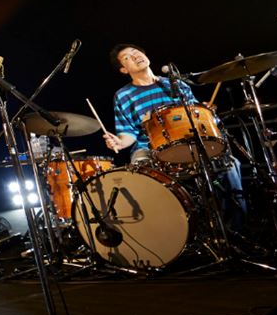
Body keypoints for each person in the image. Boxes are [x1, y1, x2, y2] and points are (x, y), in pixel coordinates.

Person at [102, 43, 245, 229]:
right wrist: (120, 142)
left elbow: (195, 115)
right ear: (123, 69)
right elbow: (128, 132)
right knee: (140, 171)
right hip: (148, 148)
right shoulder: (123, 95)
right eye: (127, 57)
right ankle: (165, 229)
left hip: (188, 141)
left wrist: (205, 112)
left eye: (136, 52)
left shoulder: (175, 84)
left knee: (229, 164)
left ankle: (234, 228)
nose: (135, 56)